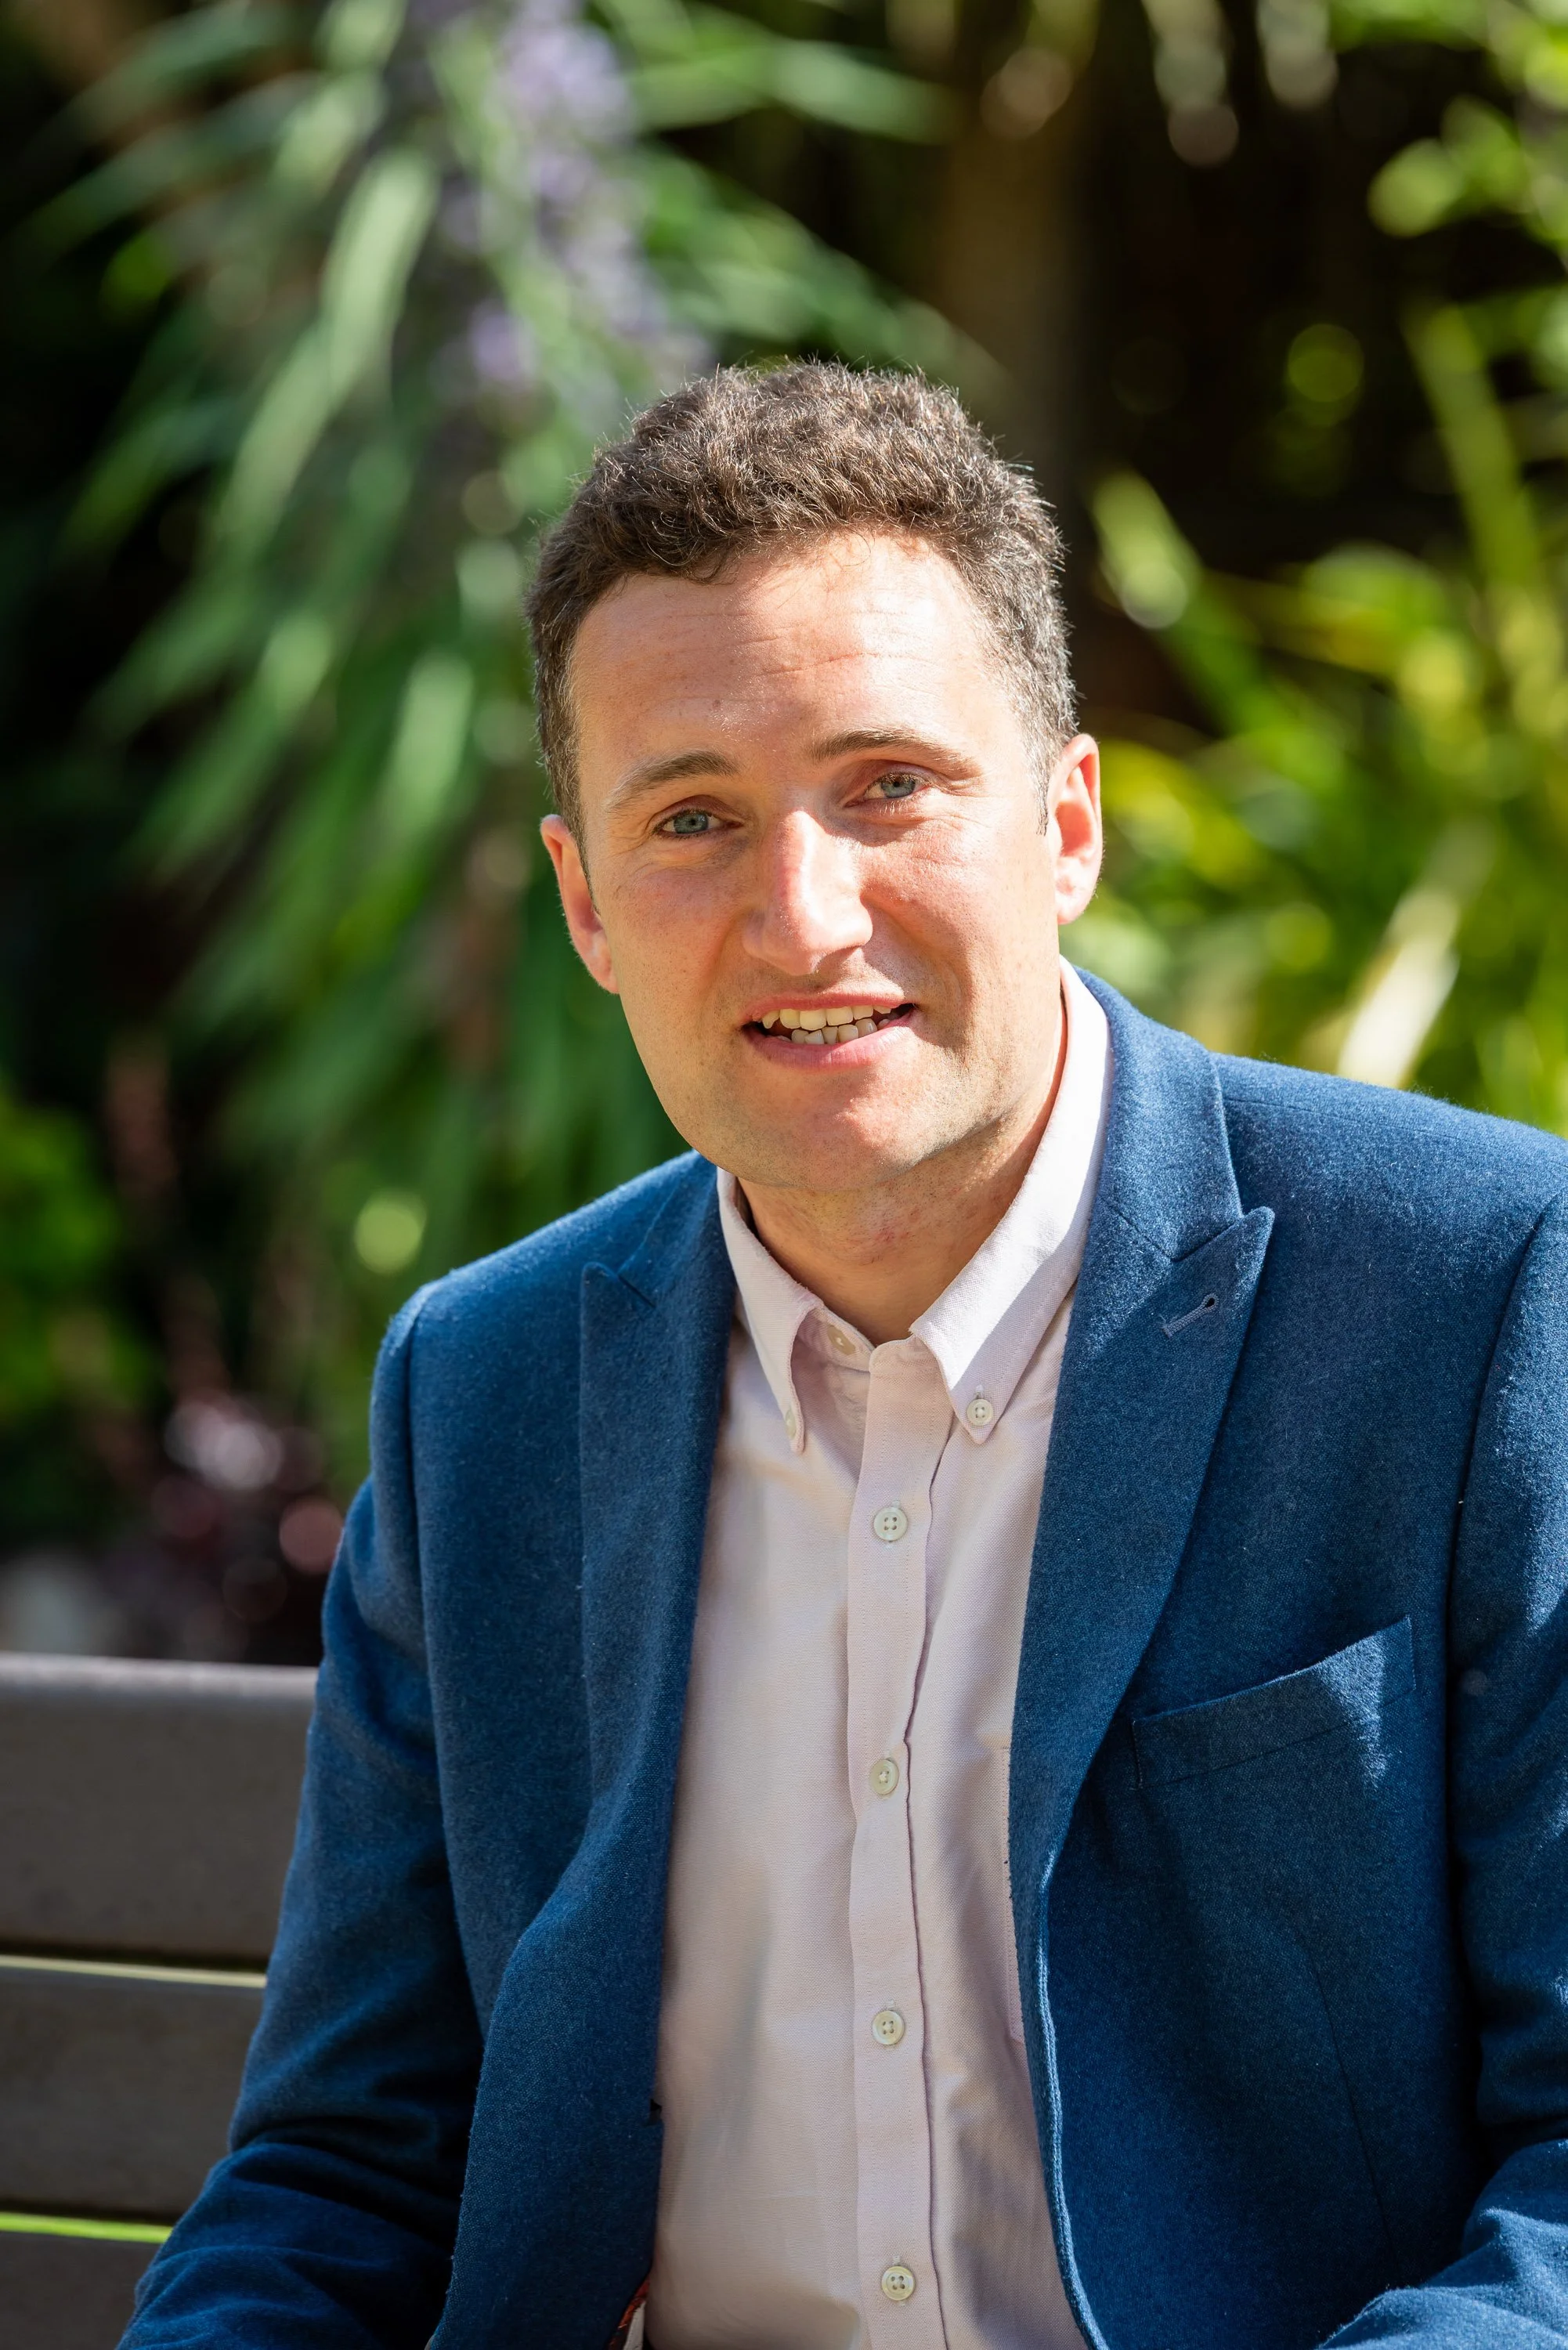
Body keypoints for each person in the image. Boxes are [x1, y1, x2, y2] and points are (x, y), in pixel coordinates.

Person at [121, 363, 1568, 2350]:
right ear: (585, 907)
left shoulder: (1472, 1293)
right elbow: (346, 2176)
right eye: (691, 818)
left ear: (1064, 823)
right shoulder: (484, 1397)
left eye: (886, 786)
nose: (803, 917)